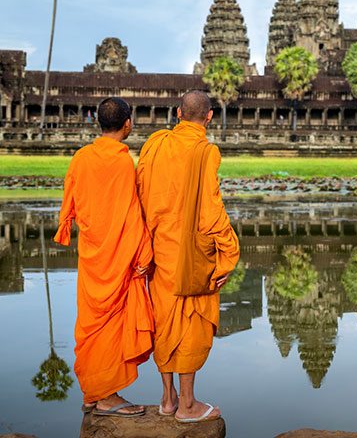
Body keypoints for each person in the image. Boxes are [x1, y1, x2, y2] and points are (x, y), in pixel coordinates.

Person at [136, 90, 240, 423]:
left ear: (178, 112)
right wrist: (229, 253)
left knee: (164, 322)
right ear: (209, 117)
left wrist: (143, 245)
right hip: (191, 255)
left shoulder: (154, 144)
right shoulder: (206, 151)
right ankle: (188, 404)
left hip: (158, 249)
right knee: (190, 324)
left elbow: (140, 193)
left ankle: (167, 399)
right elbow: (211, 210)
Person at [54, 97, 154, 416]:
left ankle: (92, 393)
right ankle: (106, 396)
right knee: (109, 325)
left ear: (99, 123)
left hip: (93, 254)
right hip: (116, 257)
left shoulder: (81, 158)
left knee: (91, 324)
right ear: (128, 123)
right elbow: (130, 213)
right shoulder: (124, 163)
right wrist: (143, 253)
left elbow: (70, 201)